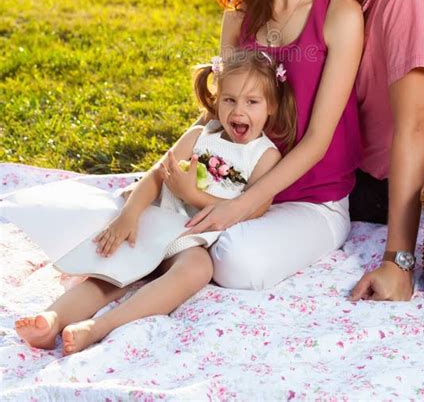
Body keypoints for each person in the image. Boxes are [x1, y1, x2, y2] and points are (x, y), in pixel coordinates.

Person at [188, 0, 424, 302]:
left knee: (230, 253)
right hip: (289, 170)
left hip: (374, 186)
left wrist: (399, 260)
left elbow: (417, 127)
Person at [15, 50, 289, 355]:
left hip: (192, 240)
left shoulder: (265, 156)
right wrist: (130, 215)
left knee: (198, 269)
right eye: (230, 100)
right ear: (217, 99)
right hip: (159, 220)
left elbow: (255, 208)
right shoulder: (200, 134)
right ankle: (53, 318)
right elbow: (157, 175)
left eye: (252, 102)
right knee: (112, 268)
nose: (239, 111)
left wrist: (194, 196)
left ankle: (99, 327)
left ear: (271, 107)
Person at [189, 0, 364, 291]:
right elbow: (220, 115)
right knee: (144, 223)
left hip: (312, 201)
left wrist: (237, 210)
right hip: (232, 182)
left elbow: (318, 140)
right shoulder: (238, 17)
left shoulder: (340, 15)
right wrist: (170, 170)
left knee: (234, 260)